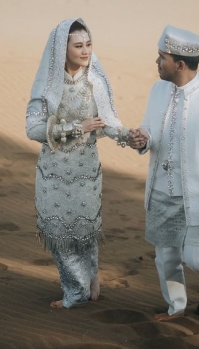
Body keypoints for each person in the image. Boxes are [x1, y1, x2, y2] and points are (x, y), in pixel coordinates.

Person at [128, 25, 199, 321]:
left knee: (195, 257)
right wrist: (143, 139)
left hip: (198, 199)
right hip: (161, 190)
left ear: (179, 64)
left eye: (161, 57)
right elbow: (149, 128)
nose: (156, 62)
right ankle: (176, 309)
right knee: (166, 257)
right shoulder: (158, 89)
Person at [26, 18, 131, 309]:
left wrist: (129, 135)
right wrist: (76, 127)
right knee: (60, 234)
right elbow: (33, 130)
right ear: (63, 49)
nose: (86, 51)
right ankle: (75, 289)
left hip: (86, 171)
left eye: (88, 44)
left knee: (85, 230)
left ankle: (87, 282)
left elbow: (107, 123)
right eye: (78, 45)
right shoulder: (48, 86)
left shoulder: (95, 81)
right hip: (54, 173)